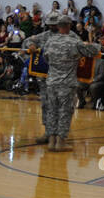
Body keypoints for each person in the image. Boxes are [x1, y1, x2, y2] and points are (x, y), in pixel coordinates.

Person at [38, 17, 97, 150]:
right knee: (65, 111)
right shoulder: (74, 42)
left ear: (58, 26)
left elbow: (45, 58)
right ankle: (60, 142)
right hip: (67, 83)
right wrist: (89, 41)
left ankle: (51, 141)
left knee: (52, 111)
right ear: (70, 26)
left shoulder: (50, 41)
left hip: (52, 81)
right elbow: (93, 51)